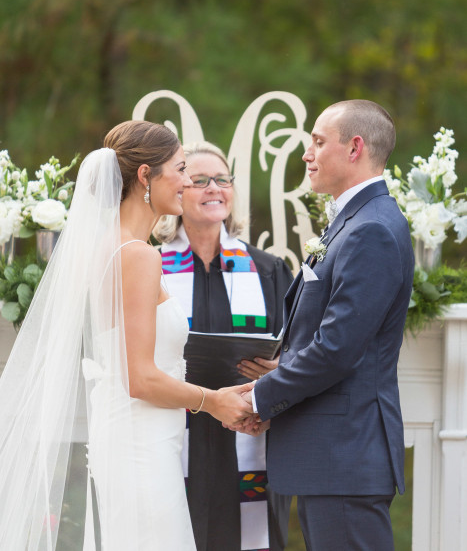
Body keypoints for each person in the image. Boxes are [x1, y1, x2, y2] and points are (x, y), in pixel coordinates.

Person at [0, 120, 253, 551]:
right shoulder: (137, 256)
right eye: (180, 169)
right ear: (145, 177)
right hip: (141, 446)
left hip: (137, 438)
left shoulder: (109, 247)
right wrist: (214, 401)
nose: (188, 181)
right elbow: (140, 378)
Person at [240, 100, 415, 551]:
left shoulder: (371, 229)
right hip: (335, 456)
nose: (307, 154)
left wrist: (263, 398)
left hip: (346, 455)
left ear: (355, 147)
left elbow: (337, 347)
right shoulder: (354, 221)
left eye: (318, 142)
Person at [154, 140, 293, 551]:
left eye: (222, 179)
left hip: (249, 424)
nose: (214, 188)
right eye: (199, 180)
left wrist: (279, 369)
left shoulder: (268, 270)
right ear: (178, 192)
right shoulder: (152, 266)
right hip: (176, 422)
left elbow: (296, 349)